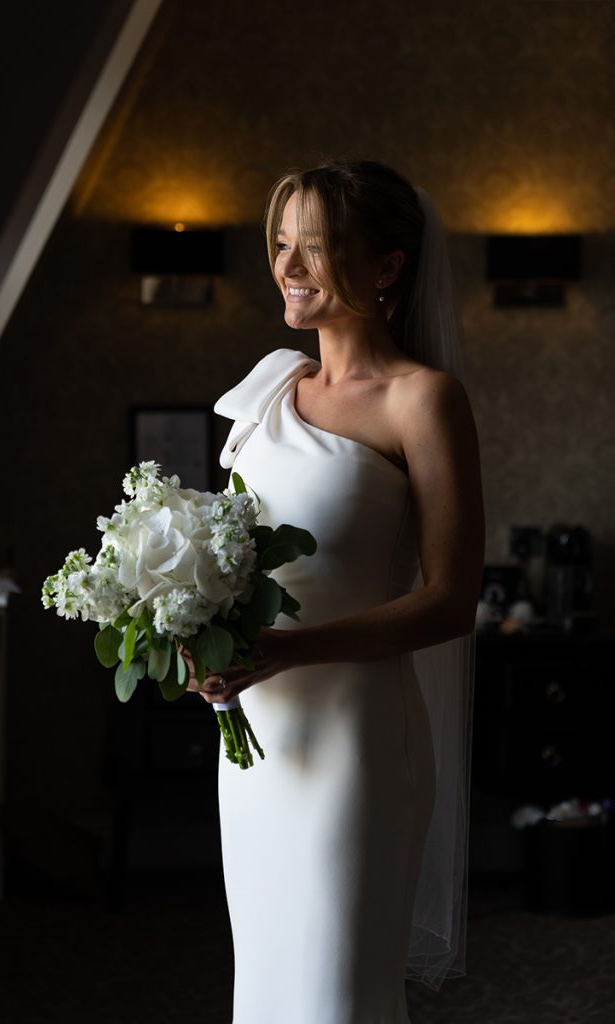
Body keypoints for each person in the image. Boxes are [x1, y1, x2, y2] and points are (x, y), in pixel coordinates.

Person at [188, 160, 485, 1024]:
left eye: (314, 249)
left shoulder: (422, 401)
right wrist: (194, 628)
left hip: (357, 744)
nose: (287, 267)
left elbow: (452, 599)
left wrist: (282, 650)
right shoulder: (272, 385)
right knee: (268, 989)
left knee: (333, 996)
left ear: (386, 268)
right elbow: (234, 562)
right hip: (254, 743)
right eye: (281, 245)